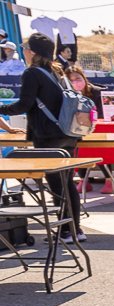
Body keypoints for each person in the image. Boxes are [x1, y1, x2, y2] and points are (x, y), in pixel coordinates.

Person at [0, 33, 85, 242]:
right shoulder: (57, 71)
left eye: (26, 48)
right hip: (68, 133)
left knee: (57, 185)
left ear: (33, 52)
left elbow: (24, 105)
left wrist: (1, 108)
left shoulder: (32, 73)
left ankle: (65, 231)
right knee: (67, 183)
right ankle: (75, 230)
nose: (24, 52)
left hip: (47, 136)